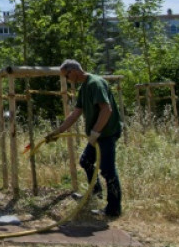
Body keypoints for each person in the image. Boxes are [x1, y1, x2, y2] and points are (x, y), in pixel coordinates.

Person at [45, 59, 122, 218]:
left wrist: (95, 133)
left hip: (106, 134)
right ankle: (95, 193)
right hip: (97, 135)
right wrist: (58, 132)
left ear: (73, 71)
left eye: (66, 76)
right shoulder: (84, 88)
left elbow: (106, 110)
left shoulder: (95, 83)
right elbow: (75, 114)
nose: (67, 79)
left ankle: (113, 209)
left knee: (107, 170)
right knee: (85, 161)